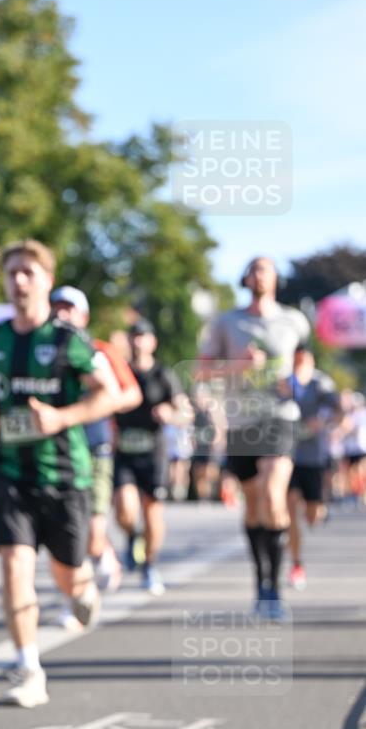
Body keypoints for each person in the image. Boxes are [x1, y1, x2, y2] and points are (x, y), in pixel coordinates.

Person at [0, 240, 114, 708]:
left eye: (28, 271)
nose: (19, 280)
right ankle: (29, 666)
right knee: (14, 566)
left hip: (65, 474)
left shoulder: (68, 339)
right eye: (11, 273)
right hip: (11, 472)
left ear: (47, 281)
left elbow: (106, 395)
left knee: (68, 576)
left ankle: (84, 586)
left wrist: (61, 418)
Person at [198, 257, 310, 619]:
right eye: (255, 269)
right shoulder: (227, 322)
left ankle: (274, 590)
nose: (261, 274)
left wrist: (297, 382)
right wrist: (238, 367)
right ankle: (260, 583)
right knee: (253, 504)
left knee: (272, 493)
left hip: (279, 418)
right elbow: (202, 370)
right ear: (245, 278)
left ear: (275, 278)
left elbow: (304, 360)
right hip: (241, 422)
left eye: (267, 268)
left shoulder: (293, 320)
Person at [49, 285, 142, 610]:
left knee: (92, 530)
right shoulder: (41, 348)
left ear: (84, 316)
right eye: (56, 307)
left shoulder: (99, 349)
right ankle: (76, 597)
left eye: (69, 308)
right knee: (65, 532)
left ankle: (103, 556)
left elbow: (131, 394)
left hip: (95, 446)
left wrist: (97, 400)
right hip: (57, 451)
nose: (62, 314)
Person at [114, 317, 190, 595]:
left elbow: (185, 411)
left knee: (152, 511)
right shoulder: (120, 371)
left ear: (152, 342)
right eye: (133, 336)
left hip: (153, 451)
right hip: (123, 449)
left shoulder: (163, 374)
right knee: (124, 508)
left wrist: (171, 414)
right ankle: (133, 537)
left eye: (143, 336)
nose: (137, 341)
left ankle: (150, 565)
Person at [285, 343, 340, 589]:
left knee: (312, 515)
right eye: (296, 361)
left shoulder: (321, 383)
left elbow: (339, 410)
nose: (299, 366)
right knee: (289, 509)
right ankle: (296, 564)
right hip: (287, 456)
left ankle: (320, 510)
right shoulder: (285, 382)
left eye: (303, 361)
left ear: (311, 361)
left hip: (314, 458)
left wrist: (325, 422)